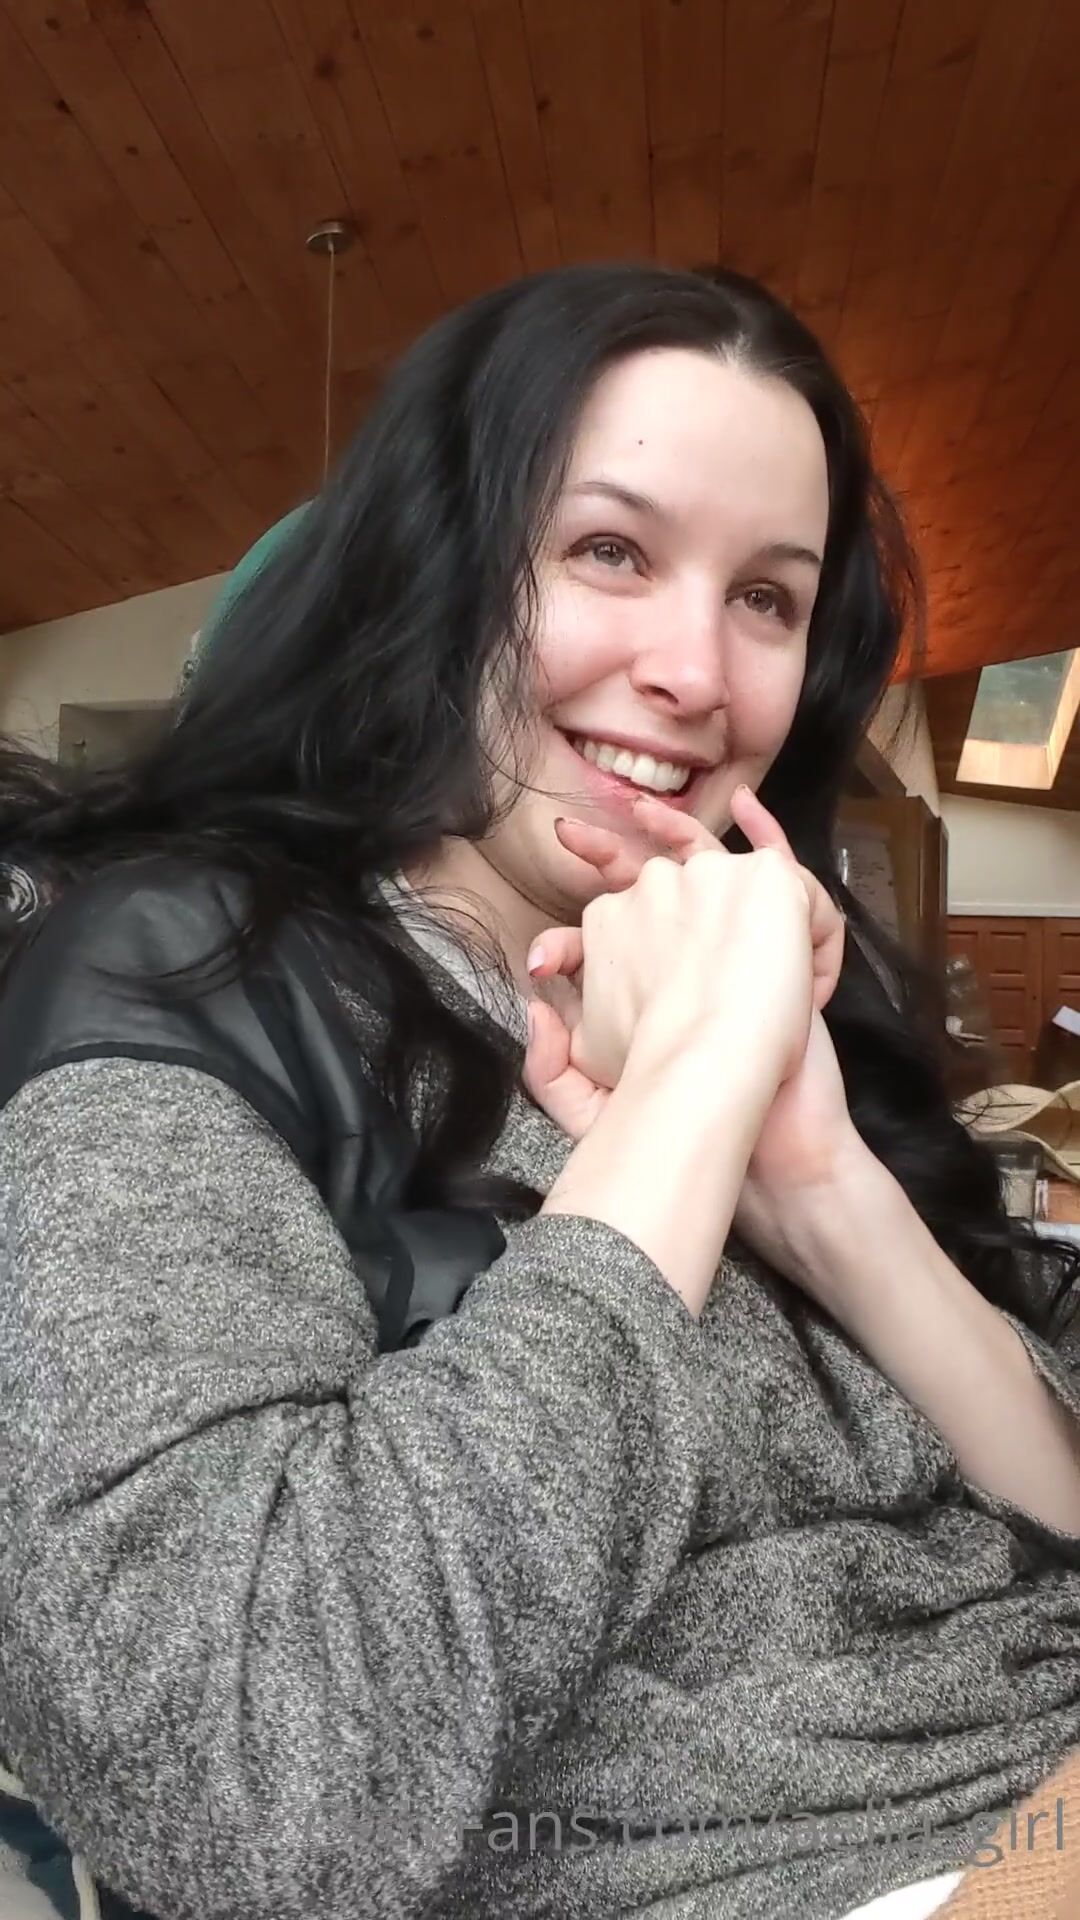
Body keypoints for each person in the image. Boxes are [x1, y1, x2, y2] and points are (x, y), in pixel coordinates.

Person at [1, 262, 1079, 1920]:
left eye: (767, 597)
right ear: (433, 571)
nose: (699, 675)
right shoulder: (182, 973)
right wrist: (675, 1125)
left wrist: (820, 1187)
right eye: (610, 552)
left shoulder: (776, 1005)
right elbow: (250, 1784)